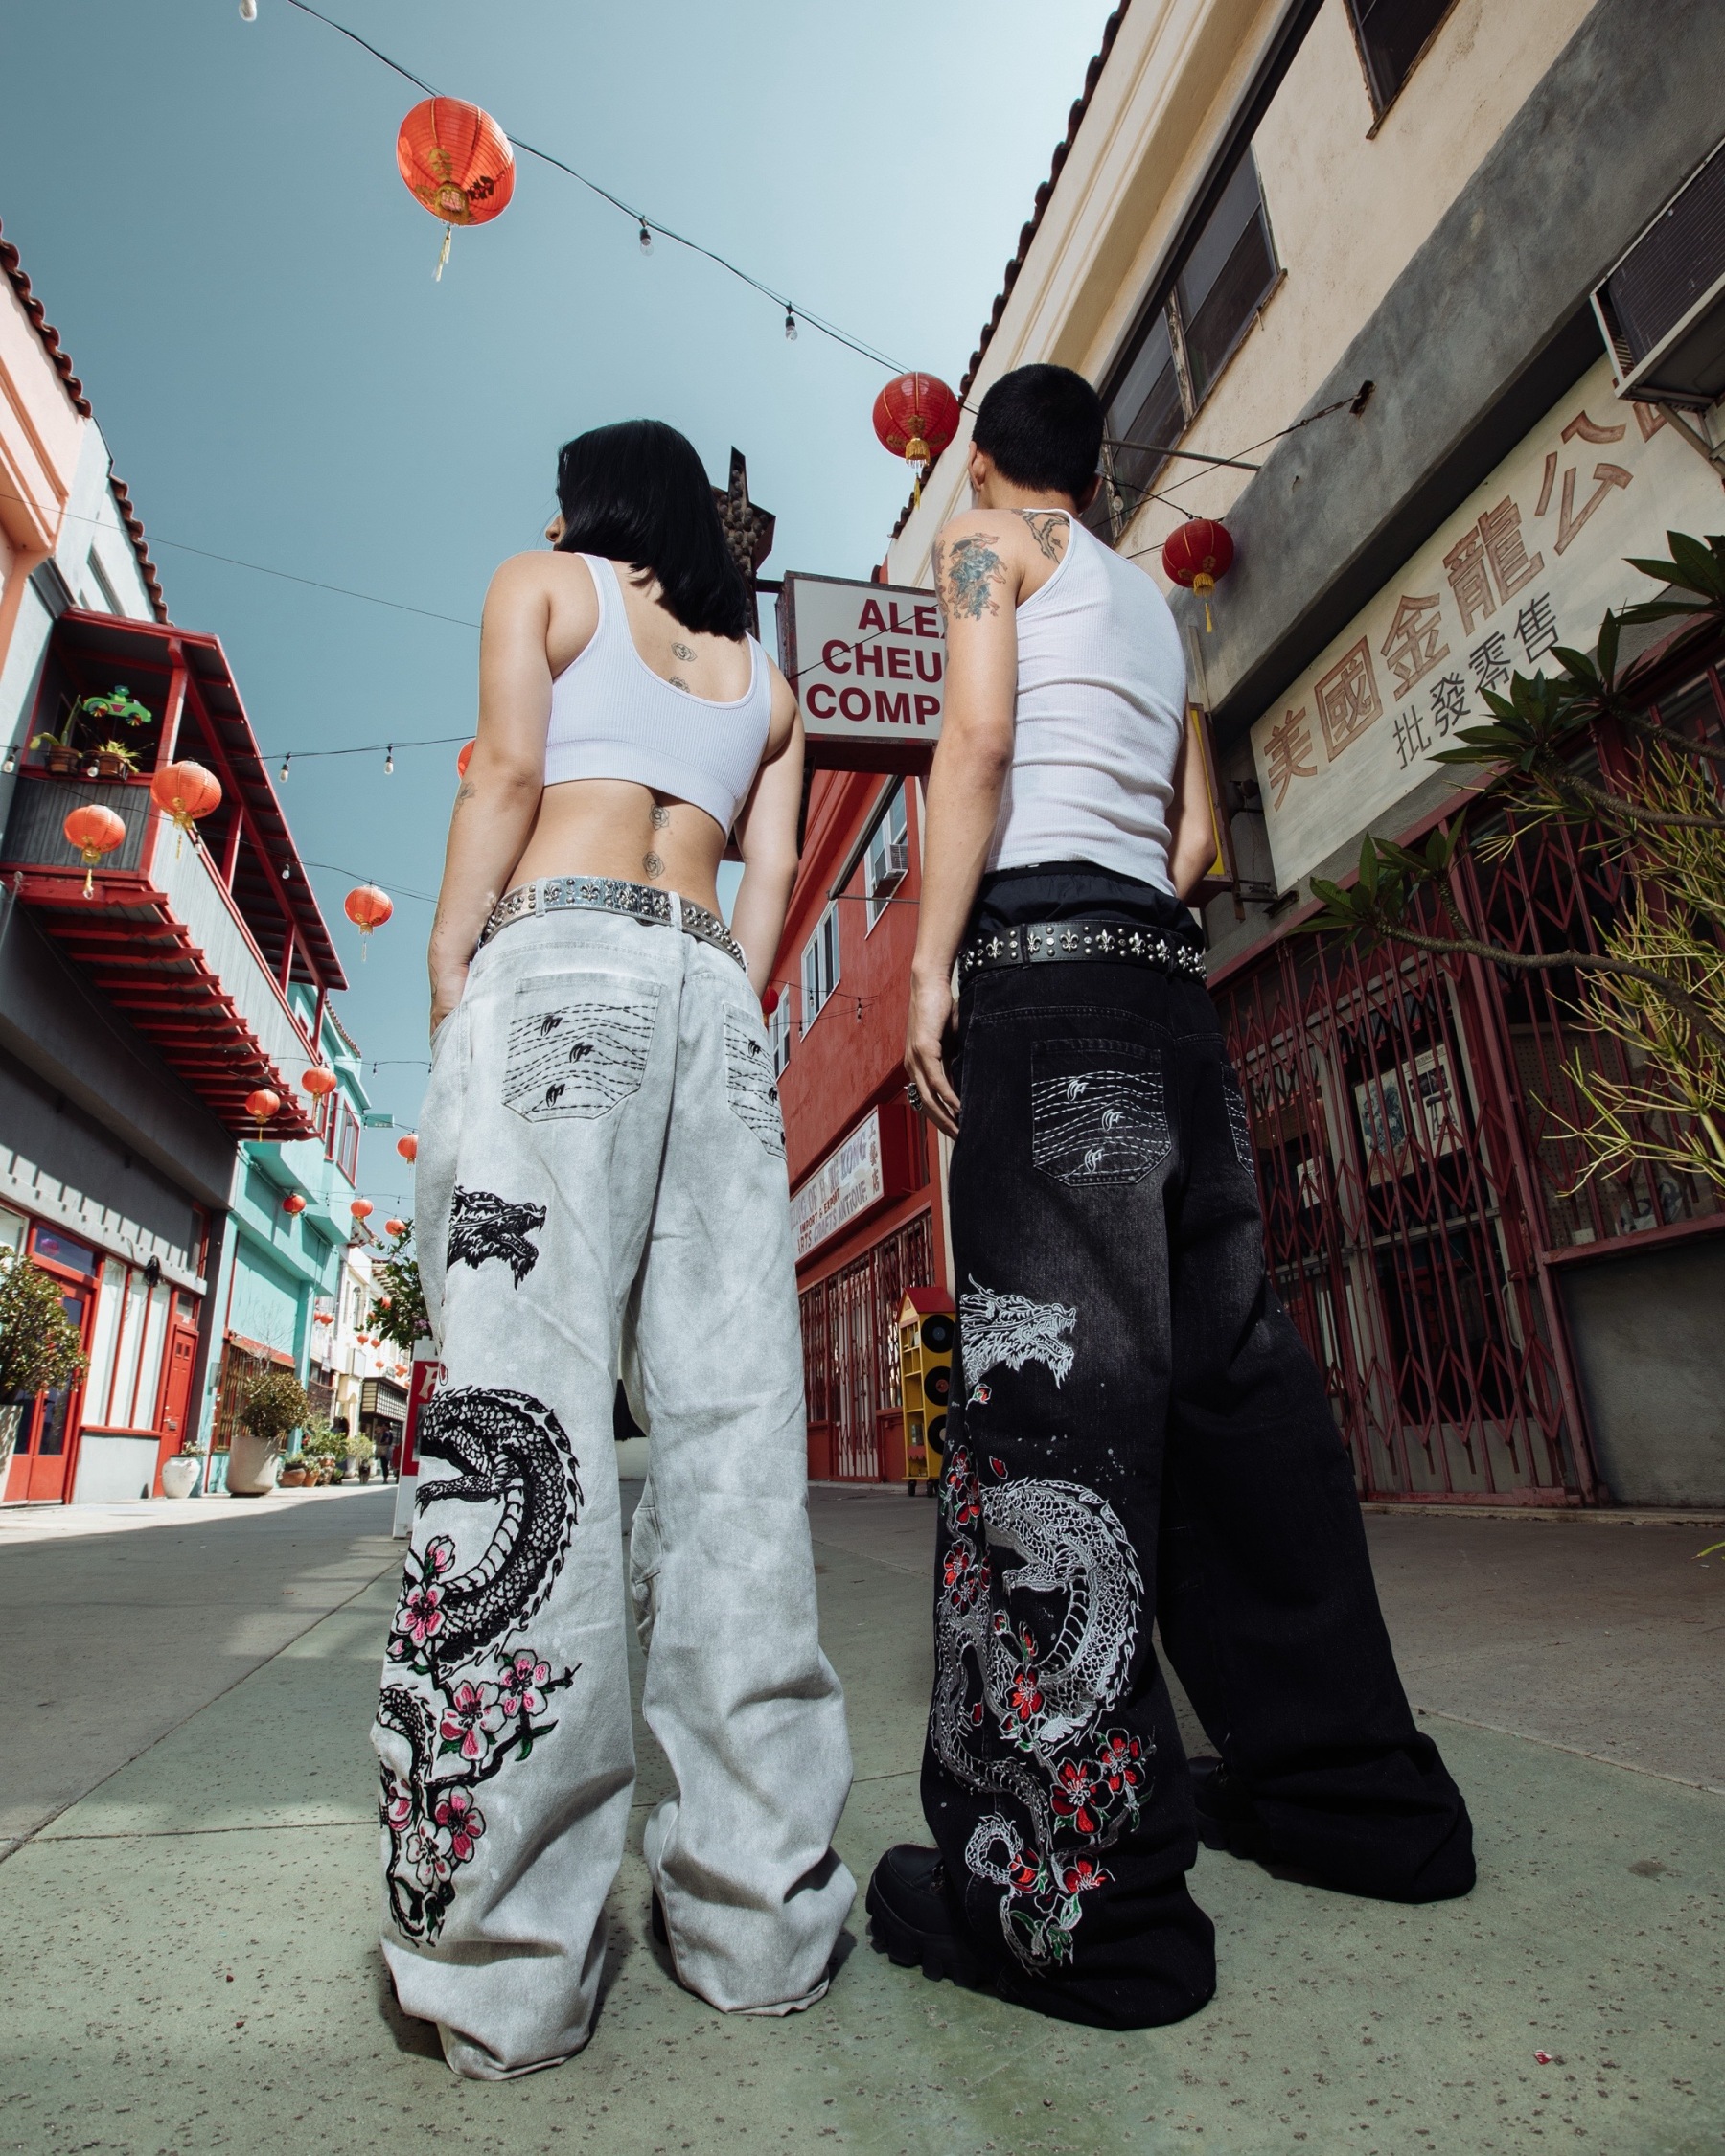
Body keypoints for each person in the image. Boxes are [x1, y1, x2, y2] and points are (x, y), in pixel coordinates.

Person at [865, 364, 1474, 2031]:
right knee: (1235, 1390)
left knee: (1051, 1403)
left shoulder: (987, 545)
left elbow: (977, 738)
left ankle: (1079, 1903)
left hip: (1049, 980)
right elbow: (1196, 836)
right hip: (1167, 990)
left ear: (983, 464)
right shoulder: (1151, 606)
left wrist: (929, 969)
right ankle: (1361, 1802)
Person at [375, 419, 853, 2079]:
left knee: (526, 1426)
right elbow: (773, 883)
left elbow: (506, 778)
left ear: (590, 503)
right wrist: (721, 1000)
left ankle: (509, 1964)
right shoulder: (764, 685)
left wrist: (451, 962)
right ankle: (758, 1919)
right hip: (712, 993)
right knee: (735, 1440)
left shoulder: (545, 584)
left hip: (557, 962)